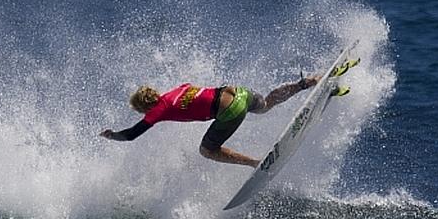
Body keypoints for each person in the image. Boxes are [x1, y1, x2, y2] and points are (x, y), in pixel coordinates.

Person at [100, 76, 319, 167]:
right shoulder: (177, 90)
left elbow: (131, 135)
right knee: (266, 105)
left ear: (145, 107)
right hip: (238, 92)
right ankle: (305, 83)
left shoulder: (159, 110)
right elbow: (192, 92)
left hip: (230, 111)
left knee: (206, 150)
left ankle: (256, 163)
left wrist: (112, 135)